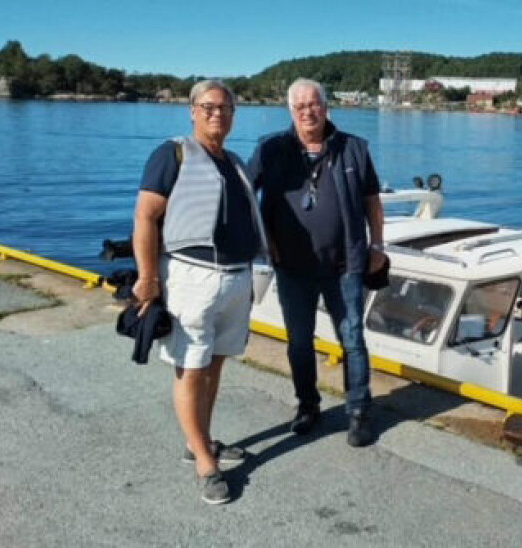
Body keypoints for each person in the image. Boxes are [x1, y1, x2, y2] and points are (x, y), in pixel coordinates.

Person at [132, 80, 269, 505]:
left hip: (235, 278)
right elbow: (146, 217)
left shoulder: (235, 163)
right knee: (191, 368)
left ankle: (201, 440)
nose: (217, 114)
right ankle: (204, 464)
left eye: (226, 108)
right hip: (192, 277)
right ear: (192, 111)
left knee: (214, 366)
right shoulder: (172, 154)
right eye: (209, 107)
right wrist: (148, 277)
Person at [249, 78, 385, 447]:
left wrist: (378, 245)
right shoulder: (271, 149)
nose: (308, 111)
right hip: (292, 266)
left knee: (353, 339)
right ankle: (308, 407)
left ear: (326, 107)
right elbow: (246, 193)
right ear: (291, 111)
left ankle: (359, 411)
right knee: (299, 343)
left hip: (345, 265)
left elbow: (372, 200)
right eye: (300, 106)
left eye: (314, 104)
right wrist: (266, 242)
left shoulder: (354, 148)